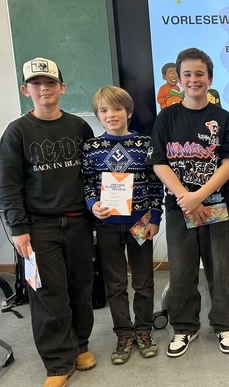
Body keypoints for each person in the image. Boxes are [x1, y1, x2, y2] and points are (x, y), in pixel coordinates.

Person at [0, 57, 96, 387]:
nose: (44, 88)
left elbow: (90, 175)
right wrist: (18, 228)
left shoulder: (79, 127)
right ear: (25, 90)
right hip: (38, 226)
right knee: (46, 293)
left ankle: (80, 345)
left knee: (80, 286)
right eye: (36, 84)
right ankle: (57, 361)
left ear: (62, 88)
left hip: (79, 222)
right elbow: (8, 184)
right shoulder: (17, 132)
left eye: (50, 82)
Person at [147, 48, 229, 357]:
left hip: (216, 208)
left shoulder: (224, 119)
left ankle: (224, 325)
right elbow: (159, 162)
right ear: (178, 78)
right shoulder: (166, 117)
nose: (193, 79)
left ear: (210, 79)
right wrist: (185, 198)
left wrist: (198, 197)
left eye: (199, 74)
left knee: (220, 271)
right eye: (187, 74)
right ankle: (184, 327)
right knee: (181, 272)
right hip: (179, 210)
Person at [82, 86, 163, 364]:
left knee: (143, 281)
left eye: (117, 109)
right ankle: (124, 334)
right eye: (104, 110)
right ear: (98, 115)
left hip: (140, 224)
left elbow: (156, 184)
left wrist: (155, 218)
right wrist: (92, 205)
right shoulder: (91, 148)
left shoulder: (145, 144)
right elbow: (88, 183)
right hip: (106, 226)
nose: (111, 115)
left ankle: (143, 330)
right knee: (115, 284)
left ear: (128, 112)